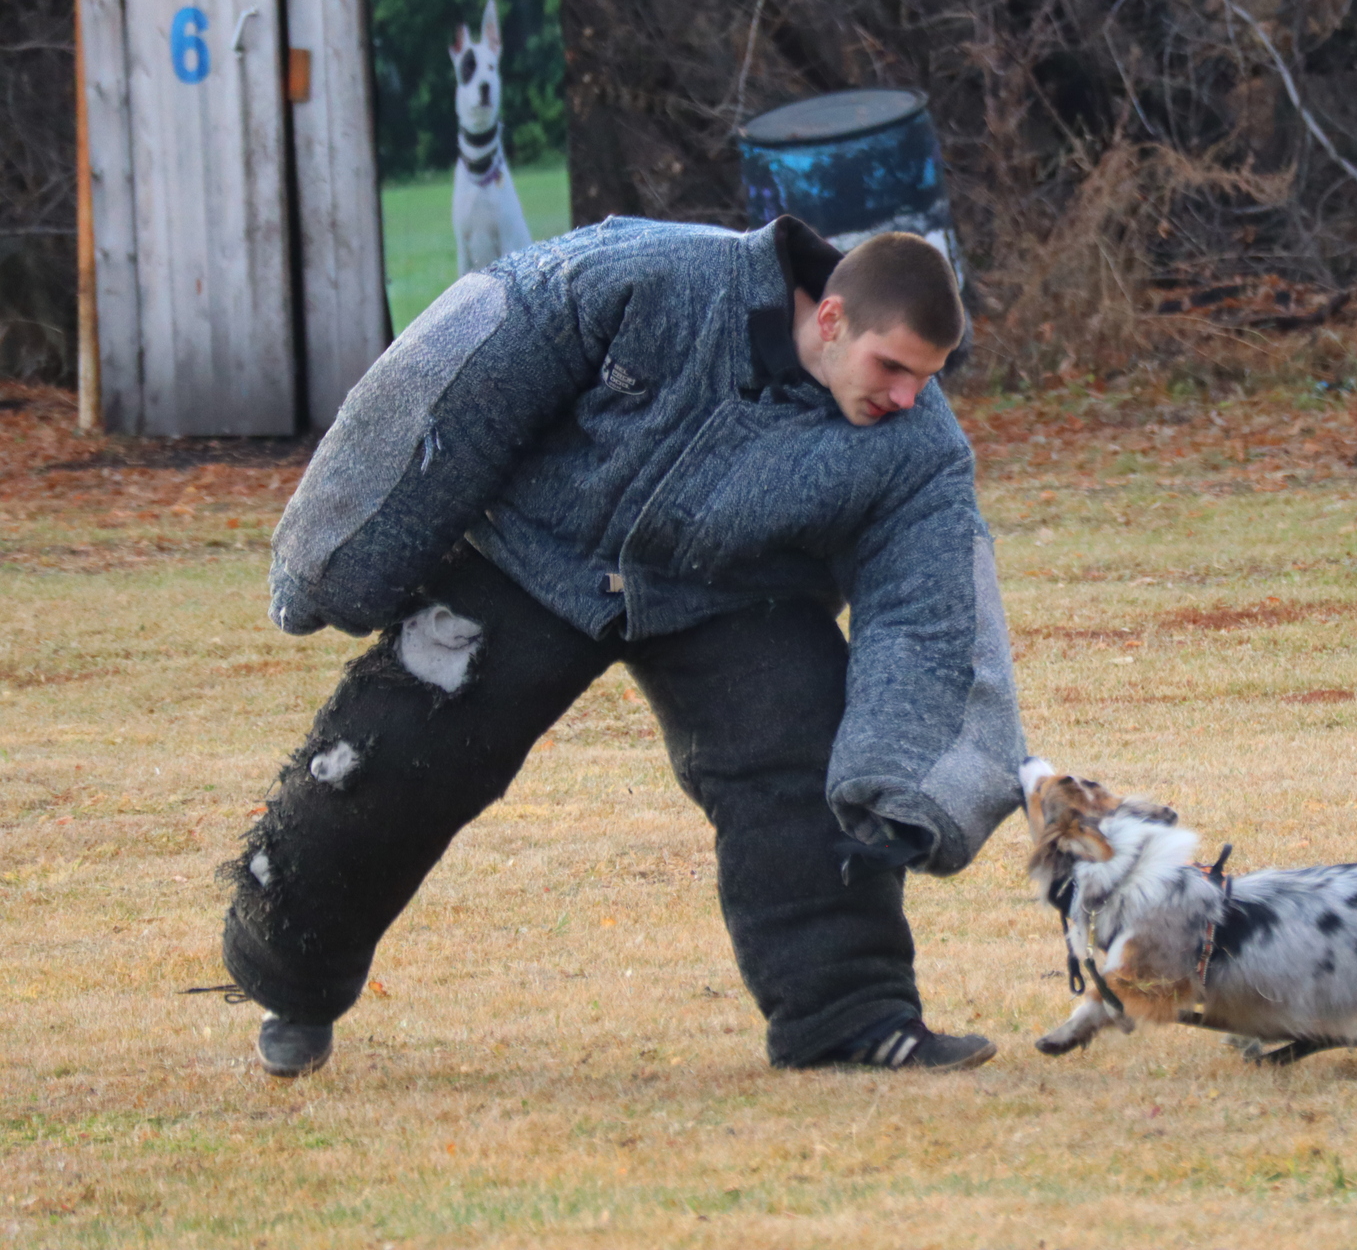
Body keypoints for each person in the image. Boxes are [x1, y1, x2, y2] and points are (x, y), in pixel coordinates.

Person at [222, 216, 1027, 1078]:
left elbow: (930, 609)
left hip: (730, 590)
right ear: (831, 320)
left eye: (927, 378)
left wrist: (916, 777)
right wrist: (338, 555)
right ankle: (291, 981)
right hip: (539, 552)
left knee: (804, 753)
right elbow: (455, 378)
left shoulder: (915, 441)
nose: (907, 397)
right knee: (390, 753)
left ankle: (853, 1021)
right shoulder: (650, 276)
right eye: (893, 368)